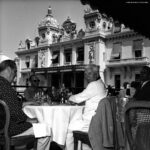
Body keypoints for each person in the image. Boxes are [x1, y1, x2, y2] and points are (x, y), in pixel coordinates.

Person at [0, 60, 51, 150]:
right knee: (46, 129)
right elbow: (16, 114)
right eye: (15, 72)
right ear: (8, 70)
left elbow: (7, 105)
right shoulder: (6, 87)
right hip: (8, 129)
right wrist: (28, 120)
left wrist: (24, 103)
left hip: (2, 126)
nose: (15, 76)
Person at [66, 64, 107, 150]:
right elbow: (87, 97)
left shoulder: (93, 85)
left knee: (68, 128)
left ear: (96, 74)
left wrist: (68, 97)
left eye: (89, 74)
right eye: (85, 74)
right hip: (98, 120)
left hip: (90, 123)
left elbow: (77, 98)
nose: (86, 77)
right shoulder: (101, 84)